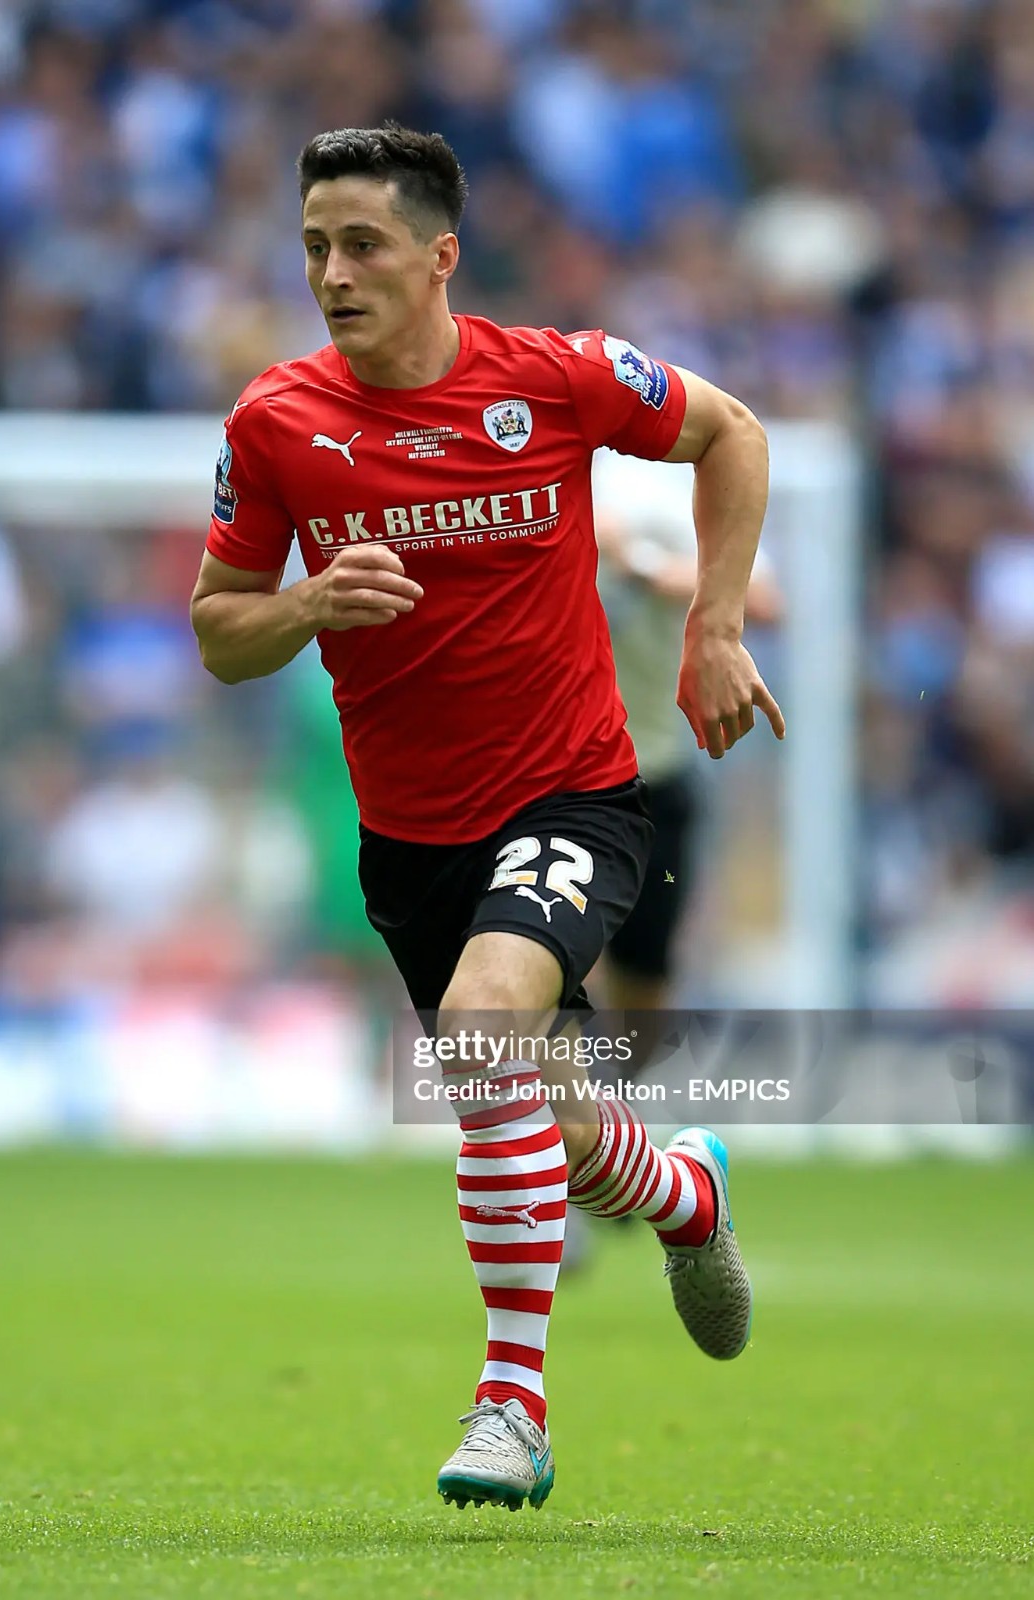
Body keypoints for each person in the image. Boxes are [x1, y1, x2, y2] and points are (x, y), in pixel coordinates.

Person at [190, 124, 785, 1514]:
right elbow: (220, 633)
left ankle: (508, 1409)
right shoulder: (274, 421)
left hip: (574, 793)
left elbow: (729, 432)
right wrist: (305, 608)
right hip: (411, 842)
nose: (332, 274)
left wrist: (712, 624)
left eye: (361, 245)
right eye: (313, 248)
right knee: (540, 1112)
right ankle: (683, 1194)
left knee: (481, 1032)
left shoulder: (557, 380)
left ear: (438, 254)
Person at [592, 449, 784, 1014]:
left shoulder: (653, 490)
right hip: (544, 775)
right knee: (549, 955)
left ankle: (613, 1089)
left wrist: (638, 565)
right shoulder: (509, 480)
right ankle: (562, 1094)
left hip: (649, 774)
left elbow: (765, 600)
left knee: (644, 981)